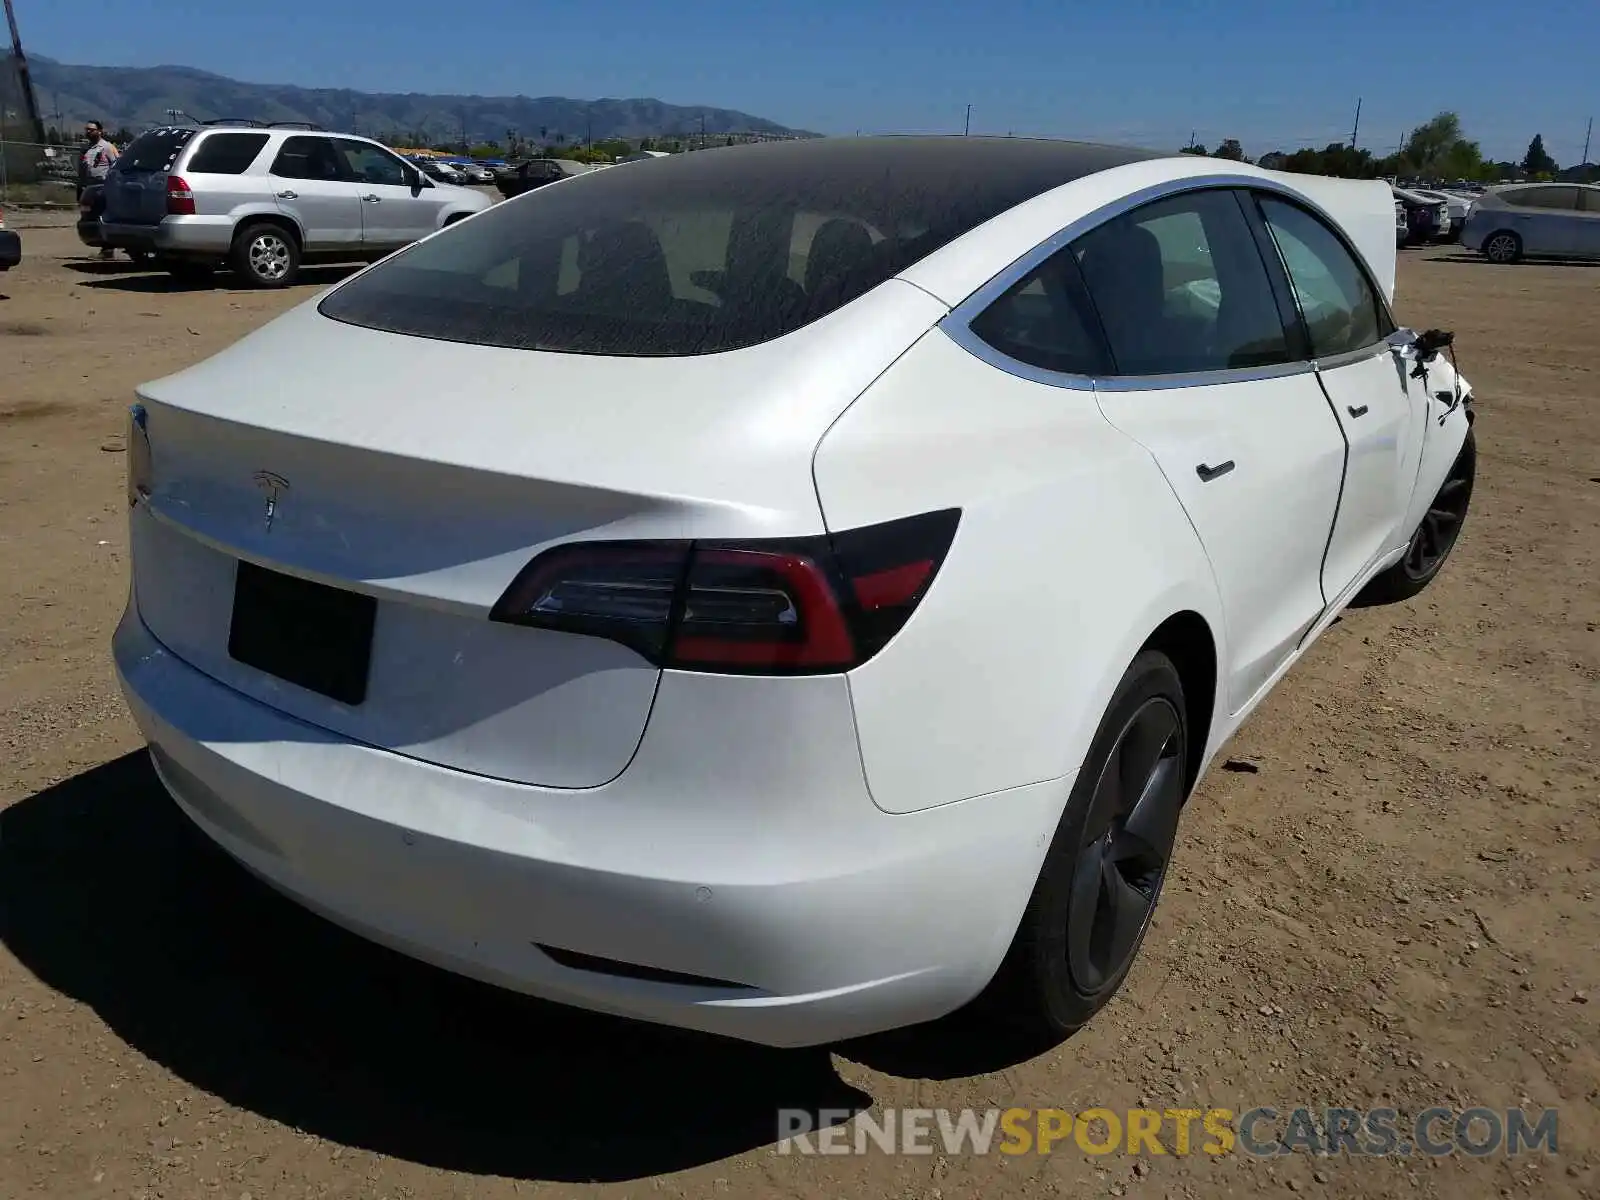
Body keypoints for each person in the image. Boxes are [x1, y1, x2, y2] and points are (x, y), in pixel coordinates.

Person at [78, 122, 120, 259]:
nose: (88, 132)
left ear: (100, 131)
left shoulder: (107, 147)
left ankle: (108, 250)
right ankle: (103, 246)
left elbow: (116, 165)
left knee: (104, 216)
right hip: (91, 187)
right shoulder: (88, 149)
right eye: (87, 130)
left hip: (104, 186)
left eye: (91, 130)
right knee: (92, 217)